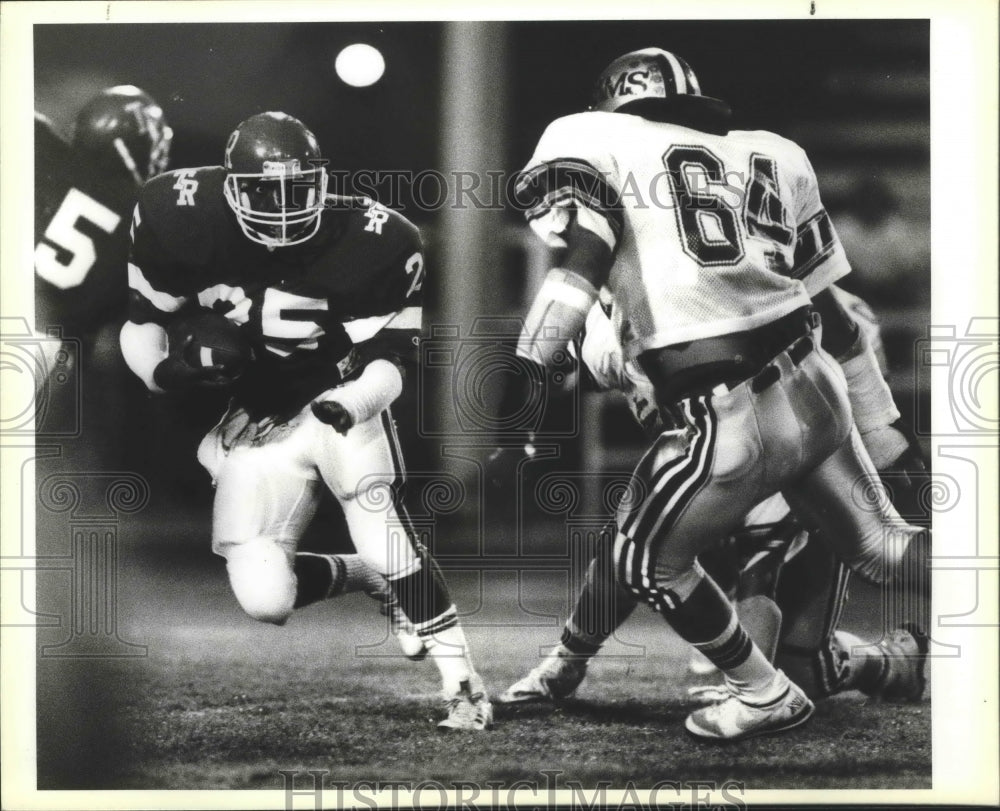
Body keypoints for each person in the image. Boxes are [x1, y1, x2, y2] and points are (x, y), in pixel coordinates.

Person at [506, 47, 929, 741]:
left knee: (754, 631)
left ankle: (774, 690)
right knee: (875, 551)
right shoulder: (760, 169)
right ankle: (891, 664)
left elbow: (730, 537)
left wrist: (530, 369)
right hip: (808, 385)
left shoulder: (607, 181)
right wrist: (566, 659)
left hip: (749, 421)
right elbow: (840, 325)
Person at [119, 111, 491, 731]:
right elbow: (142, 322)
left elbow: (391, 365)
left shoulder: (377, 236)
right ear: (231, 185)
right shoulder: (176, 210)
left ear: (323, 180)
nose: (284, 207)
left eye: (298, 188)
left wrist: (355, 402)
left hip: (337, 397)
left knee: (381, 528)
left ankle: (463, 683)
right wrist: (168, 374)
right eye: (264, 189)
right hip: (256, 414)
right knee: (266, 598)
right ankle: (369, 577)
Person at [497, 286, 930, 707]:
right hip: (717, 451)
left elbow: (762, 574)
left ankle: (888, 663)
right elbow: (562, 365)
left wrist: (743, 683)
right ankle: (566, 663)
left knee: (802, 670)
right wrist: (528, 409)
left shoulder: (746, 299)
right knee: (633, 534)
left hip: (783, 453)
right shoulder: (615, 321)